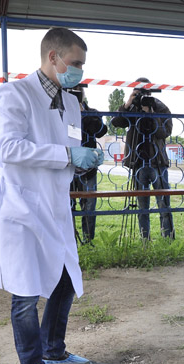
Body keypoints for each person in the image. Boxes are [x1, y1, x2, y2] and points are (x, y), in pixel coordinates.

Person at [0, 28, 101, 364]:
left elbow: (66, 149)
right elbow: (7, 149)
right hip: (20, 204)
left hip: (55, 204)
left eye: (82, 65)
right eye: (75, 63)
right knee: (25, 292)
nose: (80, 70)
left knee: (66, 279)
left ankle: (53, 350)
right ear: (53, 57)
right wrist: (67, 155)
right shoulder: (13, 95)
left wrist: (82, 162)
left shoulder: (72, 103)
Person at [111, 77, 174, 240]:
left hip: (158, 162)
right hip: (138, 162)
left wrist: (151, 114)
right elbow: (116, 122)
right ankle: (145, 239)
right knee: (142, 206)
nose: (142, 97)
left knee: (164, 204)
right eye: (138, 93)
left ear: (151, 92)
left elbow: (164, 132)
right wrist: (127, 104)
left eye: (145, 93)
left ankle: (168, 239)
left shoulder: (160, 107)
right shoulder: (132, 106)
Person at [68, 83, 107, 244]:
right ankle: (70, 240)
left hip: (88, 168)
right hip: (68, 166)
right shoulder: (61, 112)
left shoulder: (92, 112)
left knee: (89, 205)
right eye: (72, 90)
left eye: (79, 90)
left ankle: (88, 240)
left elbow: (101, 131)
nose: (76, 92)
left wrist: (83, 113)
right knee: (67, 204)